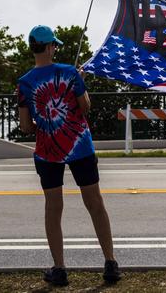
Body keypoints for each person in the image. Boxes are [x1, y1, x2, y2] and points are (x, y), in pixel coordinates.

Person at [17, 25, 121, 287]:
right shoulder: (70, 73)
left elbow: (26, 126)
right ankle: (110, 263)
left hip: (47, 152)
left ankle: (60, 268)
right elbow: (85, 107)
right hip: (80, 147)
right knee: (94, 203)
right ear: (51, 46)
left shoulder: (25, 83)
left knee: (53, 208)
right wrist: (77, 84)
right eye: (55, 45)